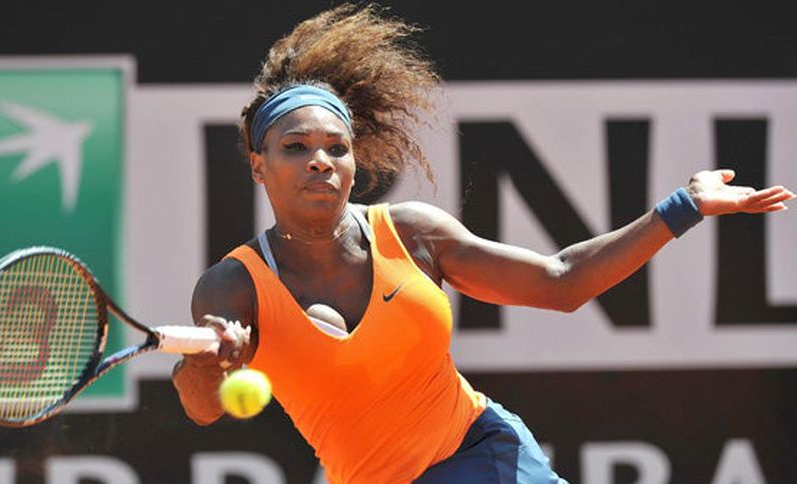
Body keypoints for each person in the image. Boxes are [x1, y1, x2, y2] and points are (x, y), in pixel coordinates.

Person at [171, 5, 794, 483]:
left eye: (337, 148)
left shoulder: (411, 233)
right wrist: (209, 363)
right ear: (258, 166)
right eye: (296, 148)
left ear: (355, 164)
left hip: (484, 455)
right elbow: (200, 408)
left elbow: (561, 282)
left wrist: (684, 206)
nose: (320, 161)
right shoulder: (232, 286)